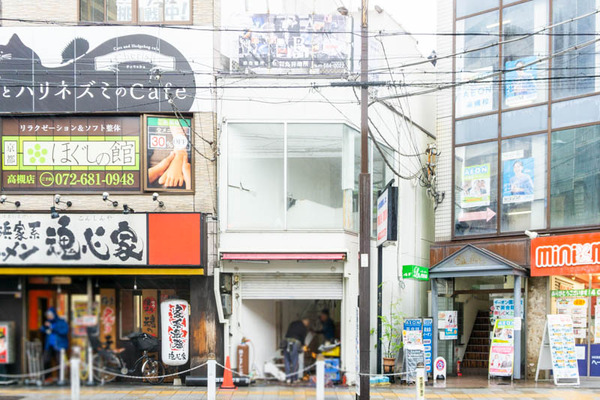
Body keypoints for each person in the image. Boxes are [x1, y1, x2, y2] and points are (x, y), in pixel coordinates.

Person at [41, 307, 69, 379]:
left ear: (54, 314)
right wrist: (45, 328)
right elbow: (42, 329)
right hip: (49, 345)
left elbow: (64, 331)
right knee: (45, 360)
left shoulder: (61, 322)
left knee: (59, 361)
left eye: (50, 314)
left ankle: (61, 378)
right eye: (48, 315)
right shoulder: (48, 322)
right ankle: (47, 377)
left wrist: (53, 328)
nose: (49, 316)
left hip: (59, 345)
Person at [283, 318, 310, 384]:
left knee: (287, 361)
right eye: (307, 323)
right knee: (295, 361)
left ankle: (288, 379)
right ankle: (294, 378)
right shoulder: (303, 327)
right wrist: (303, 345)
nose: (307, 325)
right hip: (294, 343)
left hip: (286, 342)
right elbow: (303, 338)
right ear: (306, 322)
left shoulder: (293, 323)